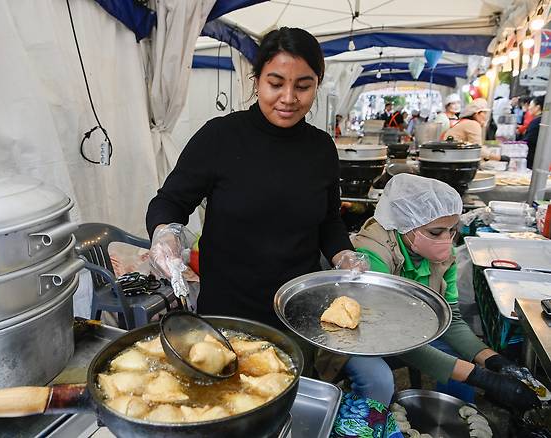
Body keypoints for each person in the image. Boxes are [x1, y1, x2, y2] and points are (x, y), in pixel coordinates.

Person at [145, 27, 394, 405]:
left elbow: (328, 220)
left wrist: (344, 254)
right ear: (256, 79)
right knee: (224, 405)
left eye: (303, 86)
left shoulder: (321, 148)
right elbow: (170, 201)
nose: (289, 98)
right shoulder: (220, 138)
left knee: (285, 404)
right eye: (275, 83)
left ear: (317, 85)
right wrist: (165, 233)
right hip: (227, 315)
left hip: (298, 316)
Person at [352, 174, 541, 412]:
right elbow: (388, 334)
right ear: (405, 224)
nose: (446, 240)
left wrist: (492, 360)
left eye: (452, 231)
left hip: (411, 333)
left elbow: (451, 319)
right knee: (378, 380)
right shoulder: (374, 255)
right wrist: (483, 378)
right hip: (362, 337)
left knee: (462, 362)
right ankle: (366, 424)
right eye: (435, 232)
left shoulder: (441, 257)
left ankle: (459, 419)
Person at [523, 95, 545, 169]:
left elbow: (529, 140)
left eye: (531, 105)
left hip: (533, 157)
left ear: (537, 107)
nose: (529, 108)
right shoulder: (543, 120)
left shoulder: (537, 122)